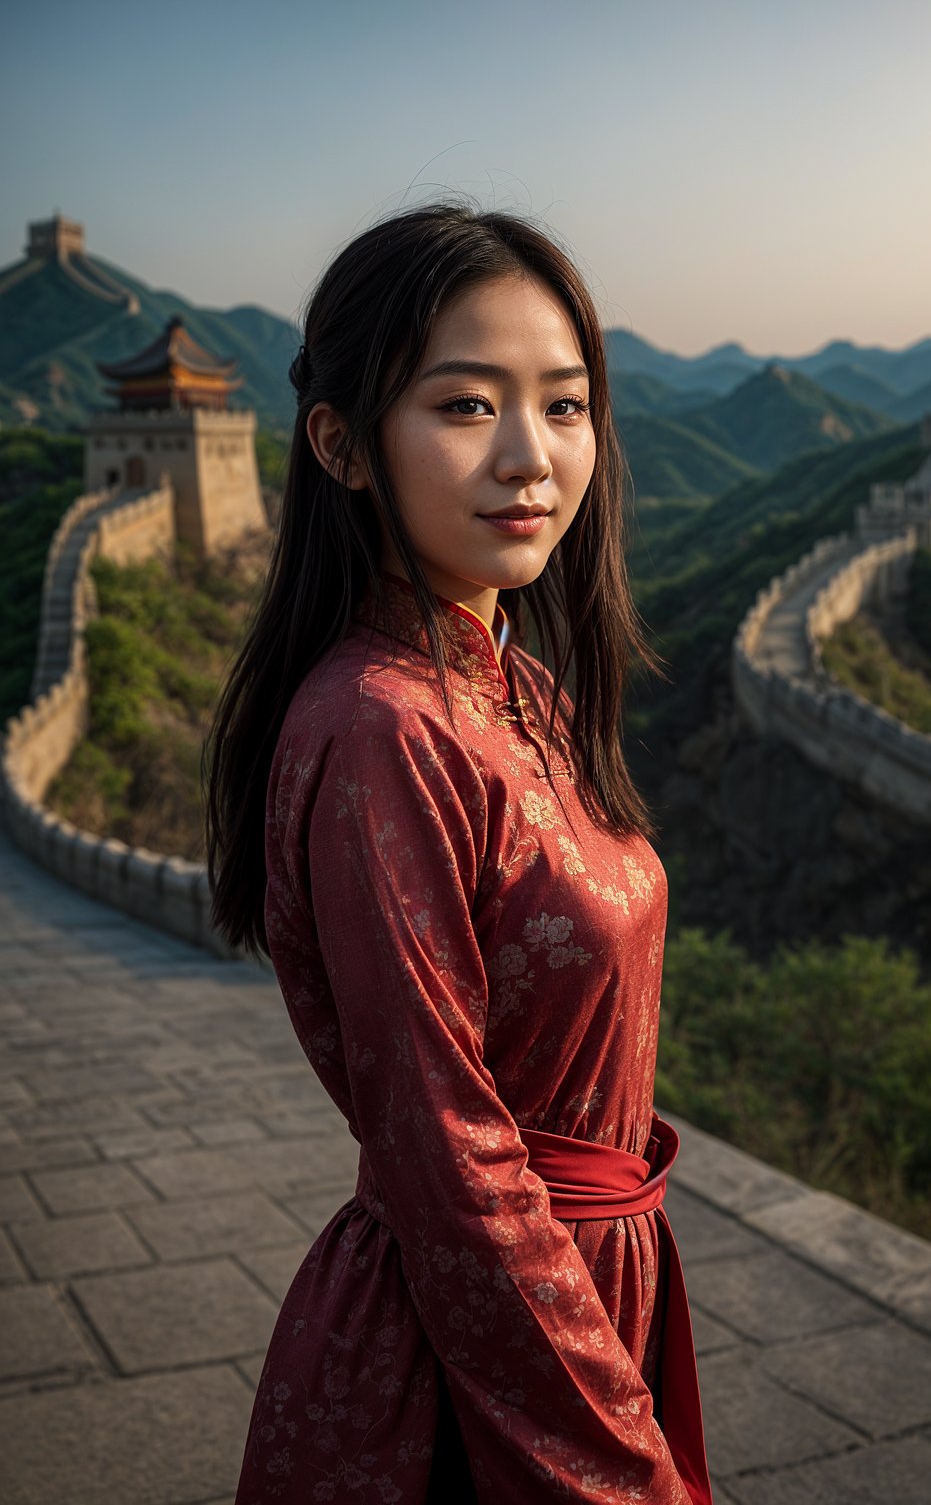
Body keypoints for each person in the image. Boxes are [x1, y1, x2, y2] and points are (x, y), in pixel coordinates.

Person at [205, 203, 713, 1505]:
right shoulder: (380, 729)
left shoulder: (517, 687)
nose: (531, 458)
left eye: (565, 404)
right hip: (478, 1345)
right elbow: (451, 1164)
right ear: (344, 445)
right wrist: (617, 1464)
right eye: (468, 407)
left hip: (587, 1290)